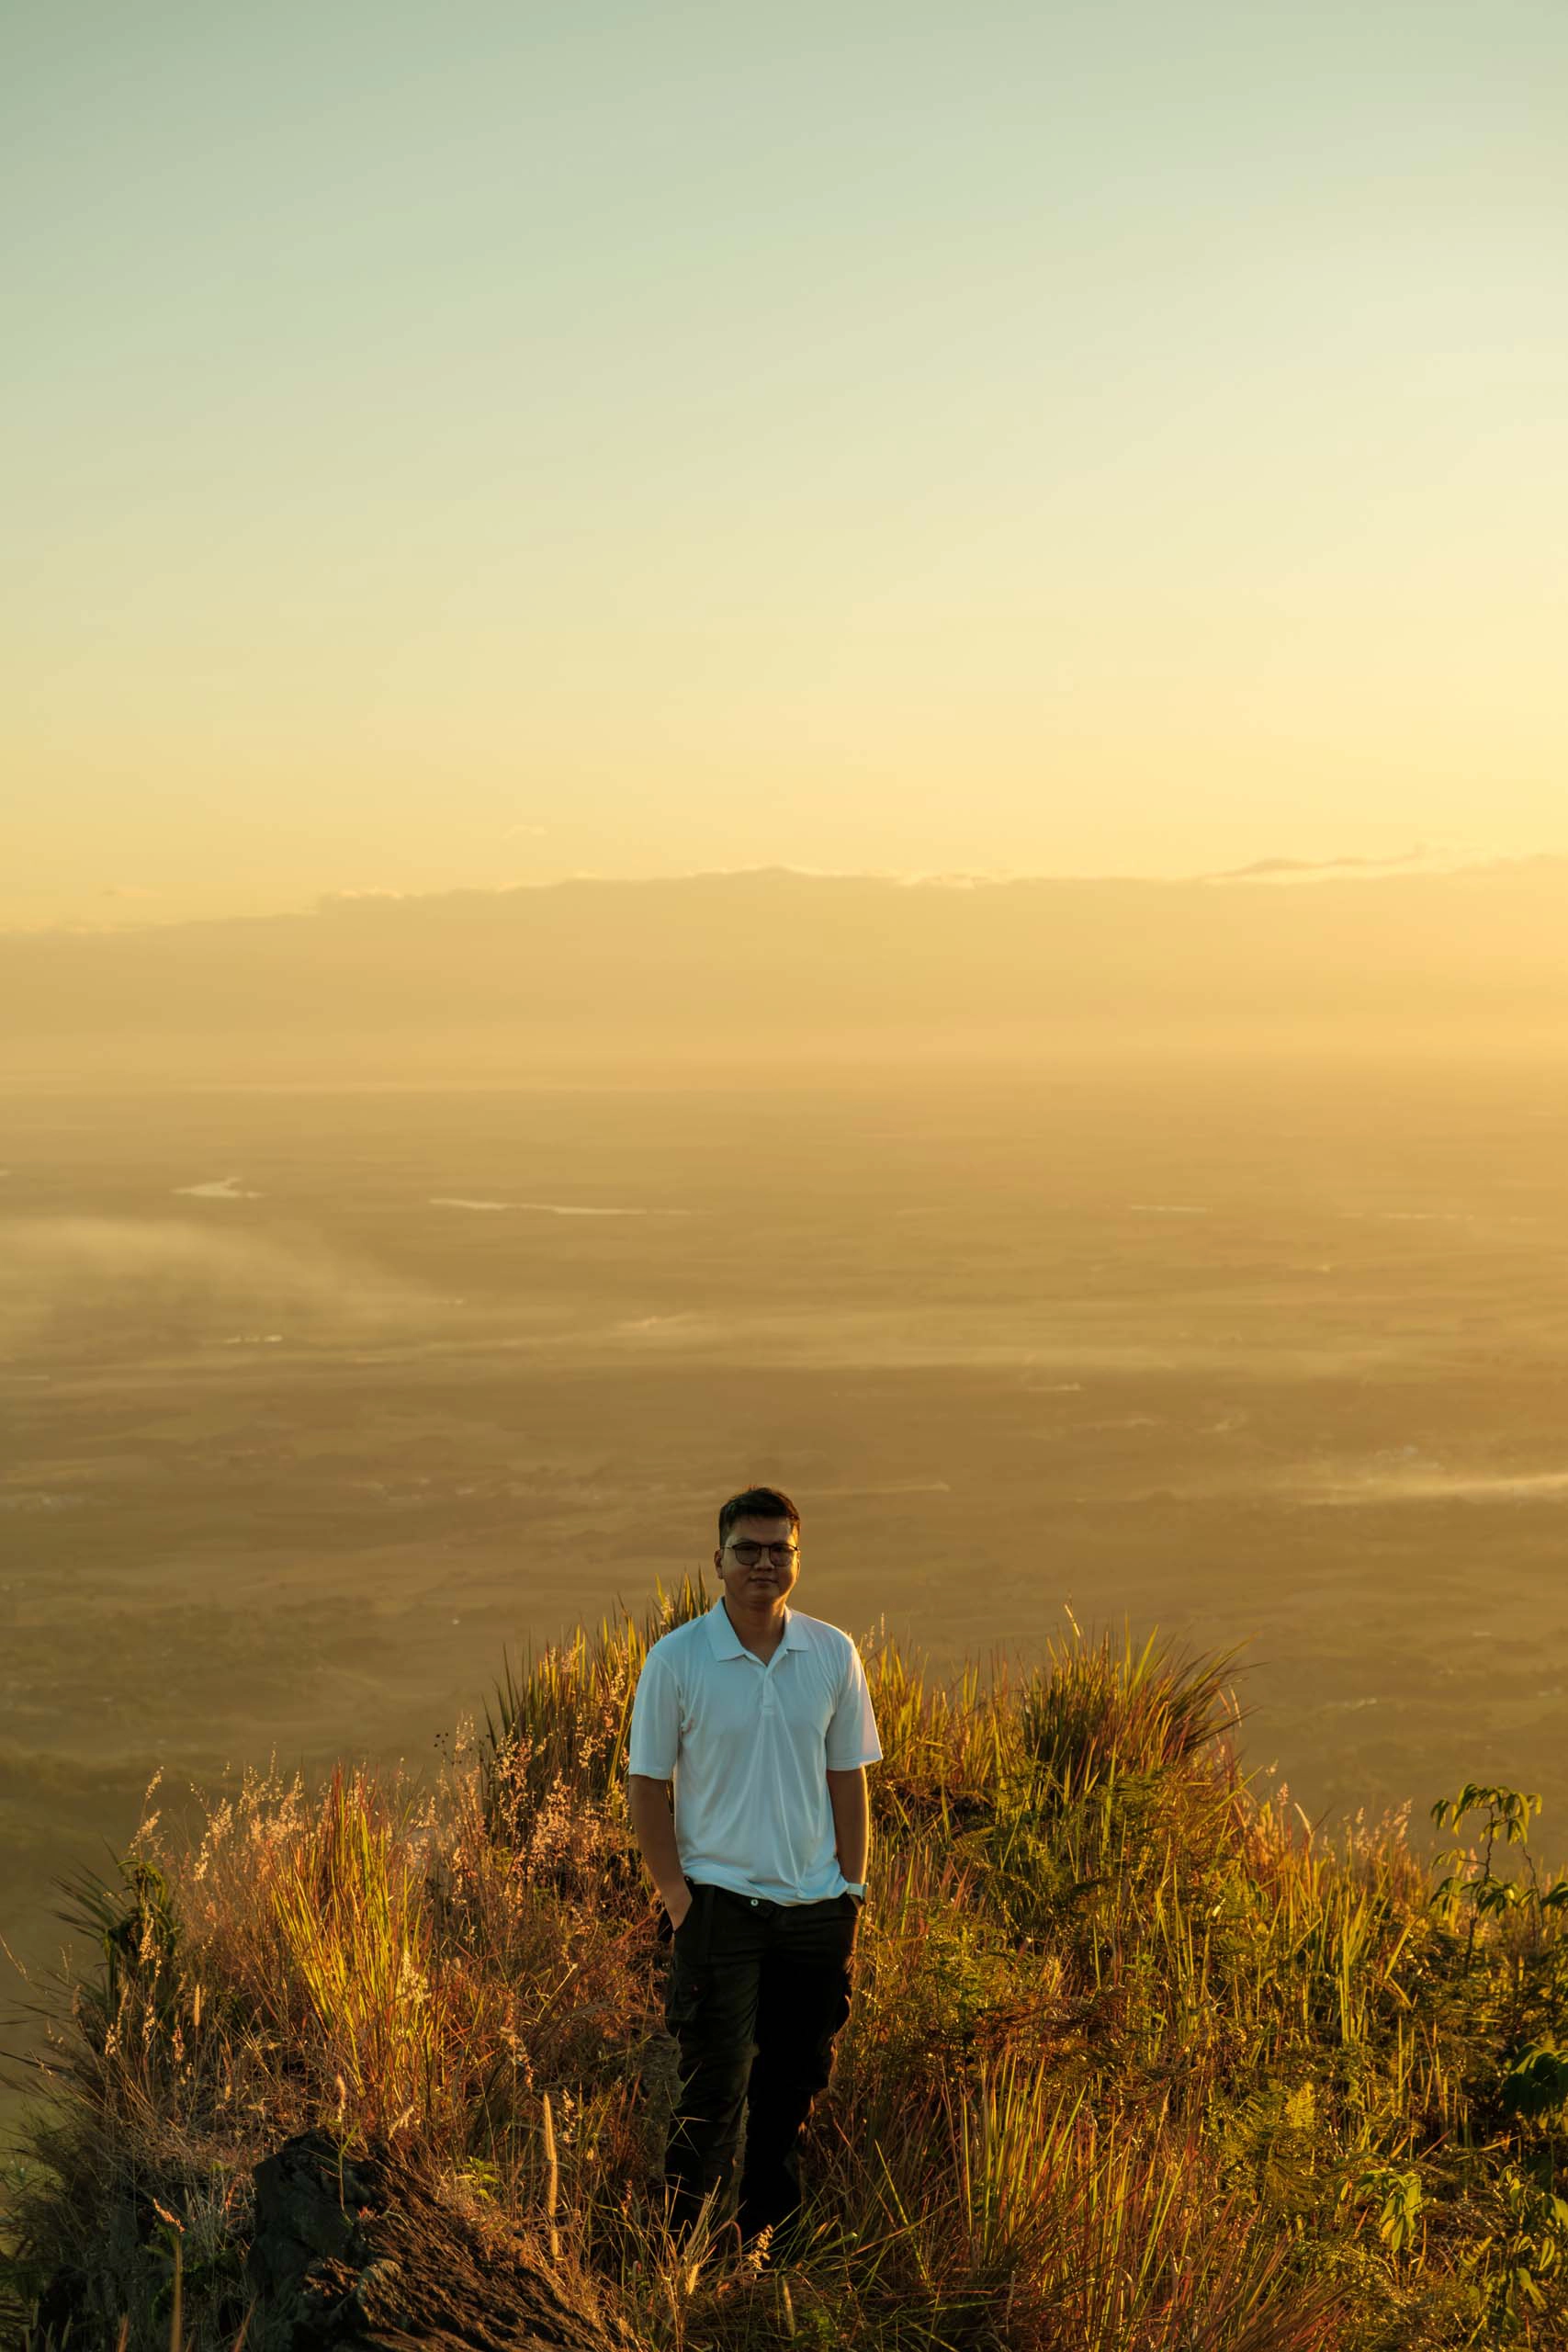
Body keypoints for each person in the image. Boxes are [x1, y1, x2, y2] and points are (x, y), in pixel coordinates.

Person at [626, 1485, 883, 2259]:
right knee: (711, 2093)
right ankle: (675, 2263)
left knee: (791, 2094)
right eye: (748, 1550)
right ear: (718, 1561)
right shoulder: (676, 1660)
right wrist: (678, 1900)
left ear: (796, 1560)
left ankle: (767, 2253)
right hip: (720, 1908)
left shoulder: (832, 1653)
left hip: (815, 1910)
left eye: (779, 1550)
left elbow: (848, 1779)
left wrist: (851, 1891)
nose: (763, 1563)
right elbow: (645, 1784)